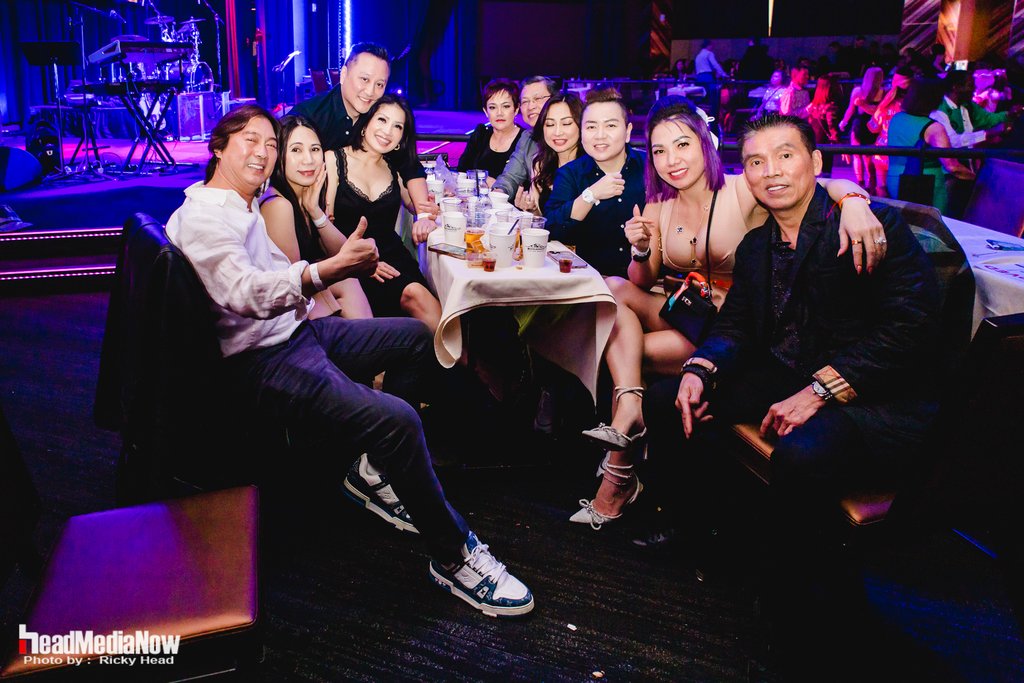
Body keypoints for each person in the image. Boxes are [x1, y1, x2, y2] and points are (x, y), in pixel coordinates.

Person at [166, 105, 534, 617]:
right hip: (263, 360)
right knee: (398, 419)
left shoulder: (240, 203)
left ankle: (376, 467)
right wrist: (326, 273)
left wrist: (327, 272)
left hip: (294, 333)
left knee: (415, 338)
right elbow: (245, 292)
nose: (263, 152)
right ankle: (453, 556)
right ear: (217, 147)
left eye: (270, 143)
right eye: (250, 140)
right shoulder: (206, 217)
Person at [646, 114, 941, 666]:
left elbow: (912, 326)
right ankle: (704, 531)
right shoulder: (758, 246)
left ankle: (795, 604)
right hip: (786, 373)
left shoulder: (867, 225)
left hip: (873, 393)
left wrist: (822, 389)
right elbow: (735, 325)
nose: (771, 171)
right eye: (756, 162)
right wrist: (700, 367)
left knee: (800, 456)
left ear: (816, 163)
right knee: (668, 399)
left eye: (785, 155)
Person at [571, 100, 884, 529]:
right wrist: (641, 248)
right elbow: (642, 279)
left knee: (628, 351)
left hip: (734, 322)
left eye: (682, 145)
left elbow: (816, 182)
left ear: (706, 144)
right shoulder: (659, 204)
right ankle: (629, 419)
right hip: (689, 312)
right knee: (613, 288)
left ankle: (620, 466)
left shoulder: (743, 188)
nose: (671, 159)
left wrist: (853, 200)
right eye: (660, 150)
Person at [323, 95, 441, 329]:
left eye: (397, 126)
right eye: (382, 120)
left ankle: (458, 352)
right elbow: (324, 225)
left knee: (418, 295)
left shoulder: (394, 167)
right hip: (349, 263)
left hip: (393, 258)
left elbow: (417, 206)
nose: (388, 131)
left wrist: (428, 214)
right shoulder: (333, 159)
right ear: (365, 123)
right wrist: (360, 262)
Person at [291, 42, 435, 225]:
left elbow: (409, 166)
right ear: (344, 74)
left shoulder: (379, 117)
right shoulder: (309, 117)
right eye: (364, 79)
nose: (370, 92)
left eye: (379, 84)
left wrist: (423, 213)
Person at [262, 115, 372, 320]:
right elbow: (295, 286)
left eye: (314, 149)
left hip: (305, 307)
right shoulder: (278, 205)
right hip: (285, 315)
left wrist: (315, 211)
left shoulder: (307, 196)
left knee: (349, 281)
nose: (309, 160)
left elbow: (343, 255)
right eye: (296, 150)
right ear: (278, 155)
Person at [544, 89, 646, 279]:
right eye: (591, 127)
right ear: (582, 133)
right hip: (591, 281)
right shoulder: (570, 174)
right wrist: (590, 195)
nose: (600, 135)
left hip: (651, 281)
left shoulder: (650, 167)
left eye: (610, 126)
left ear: (628, 131)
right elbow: (551, 230)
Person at [886, 78, 975, 214]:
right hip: (924, 184)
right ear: (934, 100)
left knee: (905, 221)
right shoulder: (934, 128)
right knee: (933, 223)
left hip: (894, 178)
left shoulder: (897, 118)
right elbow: (952, 166)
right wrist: (977, 179)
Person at [492, 76, 560, 198]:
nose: (530, 106)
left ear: (555, 99)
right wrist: (498, 194)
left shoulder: (569, 134)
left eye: (537, 99)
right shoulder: (528, 137)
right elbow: (511, 176)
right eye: (525, 101)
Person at [516, 92, 583, 215]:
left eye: (566, 123)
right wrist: (531, 209)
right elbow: (542, 218)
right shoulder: (540, 164)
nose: (557, 132)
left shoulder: (590, 168)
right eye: (550, 124)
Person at [457, 78, 525, 184]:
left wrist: (496, 184)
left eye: (506, 106)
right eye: (493, 107)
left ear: (516, 109)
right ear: (486, 111)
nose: (499, 113)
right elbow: (462, 171)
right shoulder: (481, 135)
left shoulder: (525, 140)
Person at [930, 69, 1018, 148]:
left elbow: (987, 119)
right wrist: (988, 134)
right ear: (956, 87)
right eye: (970, 85)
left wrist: (1009, 114)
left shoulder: (968, 105)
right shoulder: (940, 111)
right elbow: (953, 142)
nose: (974, 88)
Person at [839, 66, 885, 191]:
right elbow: (878, 112)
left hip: (859, 125)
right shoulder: (883, 92)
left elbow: (850, 109)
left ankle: (860, 182)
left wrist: (843, 122)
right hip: (872, 126)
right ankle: (871, 182)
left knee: (857, 155)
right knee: (868, 156)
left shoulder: (858, 91)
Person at [807, 75, 843, 176]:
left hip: (813, 142)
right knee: (826, 174)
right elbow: (832, 127)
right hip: (826, 144)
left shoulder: (812, 106)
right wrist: (840, 145)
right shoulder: (830, 107)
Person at [694, 40, 728, 120]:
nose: (713, 47)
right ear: (708, 45)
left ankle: (700, 116)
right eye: (712, 45)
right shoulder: (709, 54)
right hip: (707, 77)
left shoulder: (698, 56)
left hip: (699, 77)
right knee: (712, 98)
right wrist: (724, 74)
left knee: (701, 98)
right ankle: (713, 117)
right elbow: (715, 65)